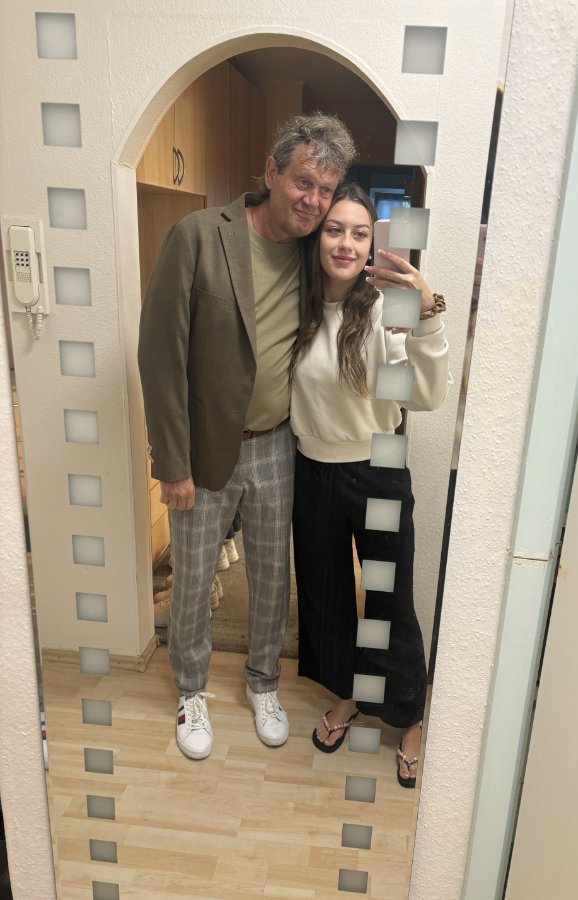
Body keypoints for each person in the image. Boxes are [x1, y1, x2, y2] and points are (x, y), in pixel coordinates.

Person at [138, 114, 356, 760]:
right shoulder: (199, 236)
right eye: (303, 182)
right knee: (193, 576)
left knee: (270, 576)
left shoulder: (313, 252)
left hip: (277, 443)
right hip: (203, 447)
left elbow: (353, 285)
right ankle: (191, 689)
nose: (313, 201)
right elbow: (160, 356)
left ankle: (263, 682)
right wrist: (171, 463)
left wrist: (422, 303)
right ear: (270, 171)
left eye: (326, 189)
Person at [289, 183, 450, 787]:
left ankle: (409, 715)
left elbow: (426, 395)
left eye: (360, 233)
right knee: (328, 597)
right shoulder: (297, 305)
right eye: (335, 229)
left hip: (378, 467)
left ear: (370, 244)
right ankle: (353, 694)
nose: (347, 243)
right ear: (317, 237)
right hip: (312, 469)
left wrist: (428, 312)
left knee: (387, 600)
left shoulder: (384, 307)